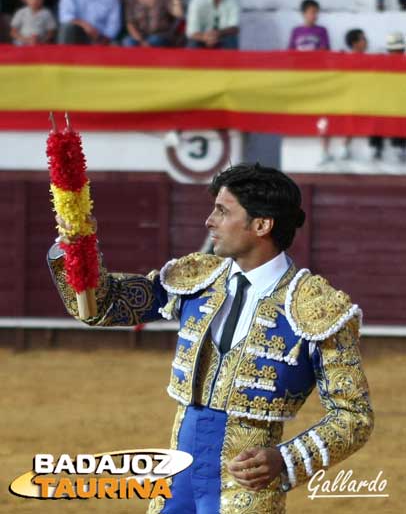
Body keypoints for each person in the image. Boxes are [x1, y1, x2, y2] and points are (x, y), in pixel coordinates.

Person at [48, 163, 374, 513]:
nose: (209, 221)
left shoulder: (318, 308)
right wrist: (74, 248)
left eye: (222, 211)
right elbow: (102, 306)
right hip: (176, 479)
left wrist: (286, 459)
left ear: (261, 225)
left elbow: (354, 415)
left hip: (247, 488)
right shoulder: (196, 278)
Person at [369, 32, 406, 161]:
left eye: (399, 50)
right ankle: (377, 147)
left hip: (400, 100)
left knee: (401, 114)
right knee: (376, 115)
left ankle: (401, 146)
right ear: (389, 50)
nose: (397, 52)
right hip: (383, 99)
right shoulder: (381, 62)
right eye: (394, 50)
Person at [343, 28, 369, 160]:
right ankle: (345, 147)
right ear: (354, 43)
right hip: (350, 97)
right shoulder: (345, 60)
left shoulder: (371, 60)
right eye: (363, 39)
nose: (366, 42)